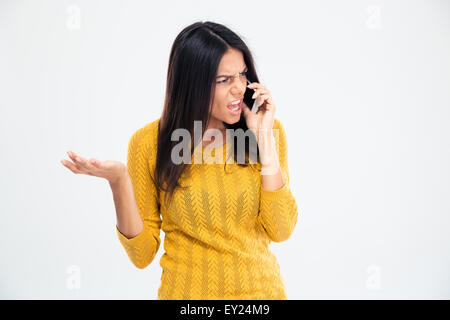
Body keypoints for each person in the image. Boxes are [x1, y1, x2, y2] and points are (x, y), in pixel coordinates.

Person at [61, 21, 299, 300]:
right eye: (224, 80)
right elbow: (142, 255)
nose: (239, 88)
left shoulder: (267, 132)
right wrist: (119, 181)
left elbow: (280, 230)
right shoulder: (148, 143)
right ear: (191, 84)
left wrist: (265, 143)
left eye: (242, 75)